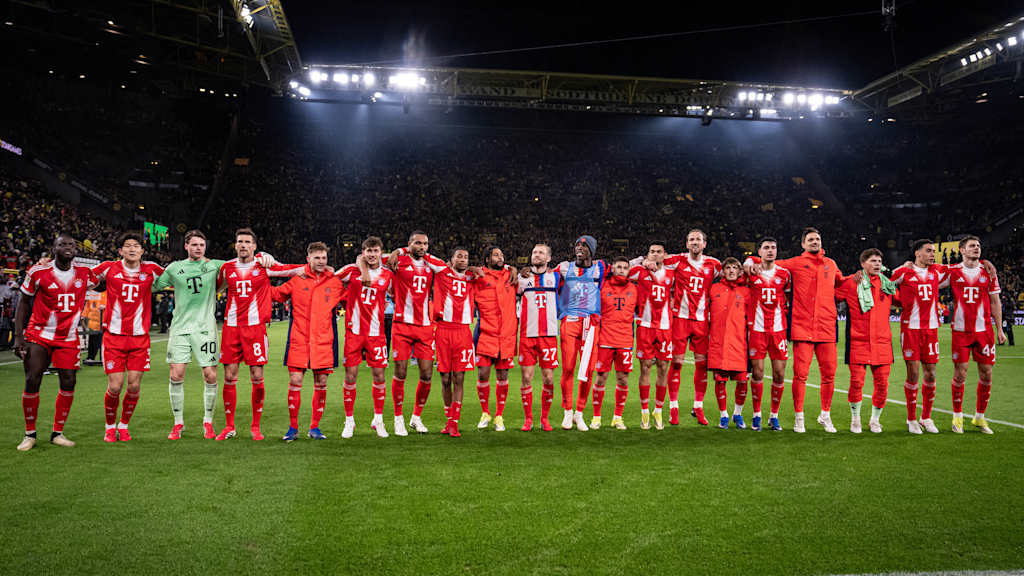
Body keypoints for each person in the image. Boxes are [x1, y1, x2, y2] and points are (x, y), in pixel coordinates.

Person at [153, 229, 272, 440]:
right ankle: (178, 423)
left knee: (210, 375)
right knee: (176, 374)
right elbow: (154, 286)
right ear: (186, 246)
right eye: (194, 245)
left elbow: (242, 261)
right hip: (180, 328)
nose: (198, 248)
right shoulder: (174, 268)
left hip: (206, 328)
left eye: (201, 245)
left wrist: (263, 256)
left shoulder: (217, 265)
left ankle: (208, 423)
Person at [745, 227, 846, 433]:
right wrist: (749, 261)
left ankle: (825, 415)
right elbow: (767, 262)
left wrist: (862, 277)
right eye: (810, 239)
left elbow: (842, 284)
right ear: (803, 244)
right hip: (802, 328)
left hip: (826, 327)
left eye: (817, 238)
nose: (814, 242)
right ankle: (798, 417)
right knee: (800, 375)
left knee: (829, 374)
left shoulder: (831, 264)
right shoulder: (793, 265)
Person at [214, 228, 302, 441]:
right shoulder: (227, 268)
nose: (243, 245)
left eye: (247, 242)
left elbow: (293, 270)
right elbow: (214, 287)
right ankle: (229, 426)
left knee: (257, 376)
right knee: (229, 376)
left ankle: (255, 426)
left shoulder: (264, 266)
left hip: (255, 329)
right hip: (231, 328)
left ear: (255, 246)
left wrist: (316, 265)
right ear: (235, 245)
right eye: (240, 242)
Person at [13, 233, 96, 451]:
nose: (67, 247)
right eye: (62, 244)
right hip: (39, 334)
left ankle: (57, 433)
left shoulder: (85, 274)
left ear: (75, 250)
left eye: (71, 244)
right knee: (32, 378)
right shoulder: (38, 272)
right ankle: (29, 434)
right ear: (54, 248)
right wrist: (19, 336)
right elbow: (24, 302)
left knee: (69, 381)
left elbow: (106, 281)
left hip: (68, 336)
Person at [91, 233, 166, 442]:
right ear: (121, 251)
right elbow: (82, 277)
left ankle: (123, 426)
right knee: (115, 386)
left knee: (133, 385)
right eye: (127, 246)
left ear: (142, 251)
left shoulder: (151, 270)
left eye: (136, 246)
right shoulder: (109, 267)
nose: (132, 249)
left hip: (139, 338)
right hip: (114, 337)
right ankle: (109, 426)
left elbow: (178, 274)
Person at [271, 242, 346, 441]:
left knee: (321, 383)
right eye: (317, 258)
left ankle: (314, 427)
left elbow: (351, 296)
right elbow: (276, 295)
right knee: (295, 381)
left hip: (323, 341)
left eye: (324, 258)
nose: (321, 261)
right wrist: (260, 278)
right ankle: (292, 428)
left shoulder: (335, 282)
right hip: (299, 339)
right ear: (308, 259)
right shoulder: (297, 280)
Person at [383, 231, 449, 435]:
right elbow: (366, 257)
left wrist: (401, 249)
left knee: (427, 375)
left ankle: (416, 417)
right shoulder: (398, 261)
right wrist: (399, 251)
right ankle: (398, 418)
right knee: (400, 372)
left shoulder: (431, 264)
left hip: (424, 326)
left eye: (425, 244)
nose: (422, 247)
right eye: (418, 243)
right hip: (402, 325)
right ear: (409, 244)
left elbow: (446, 268)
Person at [944, 236, 1006, 434]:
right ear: (962, 250)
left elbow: (995, 302)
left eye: (978, 245)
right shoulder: (952, 271)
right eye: (972, 246)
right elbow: (928, 280)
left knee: (986, 374)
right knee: (960, 373)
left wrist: (1000, 329)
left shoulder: (988, 271)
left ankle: (979, 417)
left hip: (984, 331)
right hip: (961, 331)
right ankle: (958, 416)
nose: (976, 248)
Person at [336, 237, 393, 438]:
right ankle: (349, 421)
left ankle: (378, 420)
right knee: (350, 376)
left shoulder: (387, 274)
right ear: (363, 252)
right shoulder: (351, 271)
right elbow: (331, 279)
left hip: (377, 335)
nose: (371, 254)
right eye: (368, 251)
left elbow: (395, 292)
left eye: (375, 251)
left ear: (380, 253)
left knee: (379, 376)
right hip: (354, 333)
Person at [663, 229, 722, 427]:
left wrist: (750, 264)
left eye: (698, 239)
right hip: (680, 319)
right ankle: (673, 407)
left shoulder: (714, 265)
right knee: (677, 363)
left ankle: (698, 406)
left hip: (701, 321)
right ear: (686, 244)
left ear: (704, 244)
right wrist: (643, 261)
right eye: (691, 239)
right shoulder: (676, 260)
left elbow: (737, 271)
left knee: (702, 365)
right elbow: (653, 259)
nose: (695, 242)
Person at [890, 239, 949, 434]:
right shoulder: (904, 272)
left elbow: (960, 268)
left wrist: (985, 264)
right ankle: (911, 418)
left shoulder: (937, 272)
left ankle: (926, 417)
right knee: (913, 373)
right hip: (911, 330)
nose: (933, 254)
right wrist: (899, 303)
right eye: (929, 251)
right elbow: (884, 286)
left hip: (931, 330)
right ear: (917, 253)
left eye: (934, 251)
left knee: (931, 374)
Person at [837, 249, 897, 433]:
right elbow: (828, 291)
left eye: (879, 260)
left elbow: (904, 300)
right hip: (858, 341)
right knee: (856, 382)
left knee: (882, 384)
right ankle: (855, 419)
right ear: (863, 264)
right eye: (873, 261)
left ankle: (875, 420)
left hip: (882, 343)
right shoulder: (851, 282)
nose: (877, 264)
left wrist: (905, 269)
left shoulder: (887, 285)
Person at [550, 235, 606, 431]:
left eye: (584, 246)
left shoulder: (601, 267)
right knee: (568, 368)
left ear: (592, 250)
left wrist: (647, 261)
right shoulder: (564, 267)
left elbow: (624, 266)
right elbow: (545, 274)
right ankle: (567, 411)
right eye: (577, 245)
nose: (579, 248)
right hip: (570, 321)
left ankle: (579, 413)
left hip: (591, 324)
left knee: (588, 371)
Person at [745, 238, 791, 432]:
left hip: (779, 331)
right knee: (758, 372)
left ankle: (774, 416)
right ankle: (757, 415)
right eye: (766, 248)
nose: (770, 251)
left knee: (779, 374)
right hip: (757, 330)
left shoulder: (785, 274)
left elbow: (789, 298)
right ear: (760, 252)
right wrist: (749, 262)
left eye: (773, 247)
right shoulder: (751, 272)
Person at [628, 241, 674, 430]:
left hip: (665, 327)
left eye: (659, 252)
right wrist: (642, 261)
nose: (655, 255)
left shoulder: (672, 274)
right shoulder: (640, 272)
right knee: (645, 367)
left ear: (665, 255)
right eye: (652, 252)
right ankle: (645, 412)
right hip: (645, 326)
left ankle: (658, 410)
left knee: (663, 368)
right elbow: (620, 269)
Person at [472, 246, 518, 432]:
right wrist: (472, 269)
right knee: (483, 373)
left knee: (503, 376)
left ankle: (499, 415)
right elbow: (456, 267)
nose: (500, 257)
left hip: (506, 334)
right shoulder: (479, 276)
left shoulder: (510, 275)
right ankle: (485, 413)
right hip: (486, 332)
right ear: (487, 259)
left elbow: (527, 272)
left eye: (501, 254)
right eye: (496, 254)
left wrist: (514, 268)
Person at [516, 243, 562, 431]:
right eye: (534, 252)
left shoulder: (556, 276)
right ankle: (528, 419)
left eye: (541, 252)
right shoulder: (521, 278)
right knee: (526, 377)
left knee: (548, 379)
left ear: (549, 258)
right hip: (527, 335)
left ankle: (544, 418)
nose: (537, 255)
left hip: (549, 335)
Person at [433, 247, 478, 438]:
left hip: (463, 332)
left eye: (466, 257)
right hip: (443, 330)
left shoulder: (472, 276)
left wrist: (514, 268)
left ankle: (454, 423)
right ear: (450, 260)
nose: (463, 260)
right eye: (459, 256)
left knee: (459, 378)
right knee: (445, 378)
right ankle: (447, 419)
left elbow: (498, 267)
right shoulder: (442, 271)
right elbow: (423, 255)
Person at [592, 257, 637, 430]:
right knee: (601, 377)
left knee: (623, 379)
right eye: (618, 267)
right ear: (613, 269)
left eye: (625, 268)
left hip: (625, 340)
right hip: (605, 339)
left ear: (629, 270)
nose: (621, 270)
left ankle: (618, 417)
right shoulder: (603, 285)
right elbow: (600, 265)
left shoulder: (634, 288)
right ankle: (597, 417)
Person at [707, 258, 752, 429]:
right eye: (728, 268)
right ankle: (724, 415)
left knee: (742, 381)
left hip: (739, 343)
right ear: (723, 271)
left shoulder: (746, 291)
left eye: (735, 268)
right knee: (720, 380)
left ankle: (737, 414)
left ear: (741, 271)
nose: (731, 271)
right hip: (718, 342)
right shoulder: (714, 289)